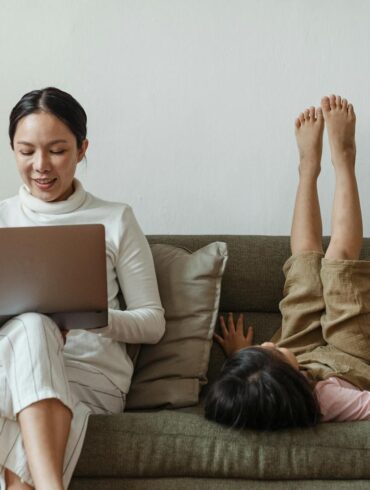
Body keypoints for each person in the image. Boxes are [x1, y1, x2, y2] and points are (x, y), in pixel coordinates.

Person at [0, 87, 165, 489]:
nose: (41, 165)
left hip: (91, 377)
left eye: (56, 150)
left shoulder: (116, 219)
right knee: (34, 326)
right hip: (10, 370)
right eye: (26, 151)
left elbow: (153, 323)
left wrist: (89, 318)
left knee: (37, 327)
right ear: (12, 149)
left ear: (82, 147)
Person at [205, 94, 370, 430]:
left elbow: (247, 387)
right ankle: (344, 159)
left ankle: (308, 167)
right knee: (338, 261)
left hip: (298, 352)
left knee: (305, 264)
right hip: (347, 362)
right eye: (269, 350)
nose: (266, 342)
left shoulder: (265, 384)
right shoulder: (329, 400)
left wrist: (243, 355)